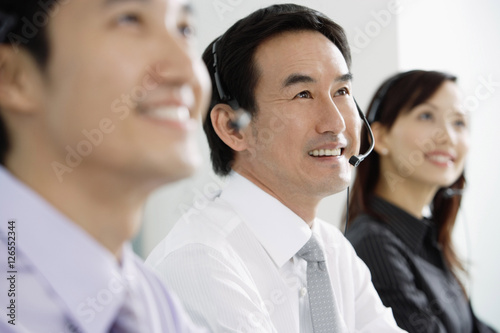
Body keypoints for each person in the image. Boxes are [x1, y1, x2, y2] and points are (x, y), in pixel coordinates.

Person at [146, 4, 405, 332]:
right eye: (303, 94)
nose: (336, 122)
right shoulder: (202, 260)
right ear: (233, 127)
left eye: (341, 91)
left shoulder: (331, 249)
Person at [0, 0, 211, 332]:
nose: (187, 70)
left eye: (185, 29)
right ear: (13, 78)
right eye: (129, 19)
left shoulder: (152, 303)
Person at [345, 70, 497, 332]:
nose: (448, 137)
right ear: (379, 137)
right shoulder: (375, 243)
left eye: (459, 122)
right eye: (426, 116)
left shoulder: (427, 238)